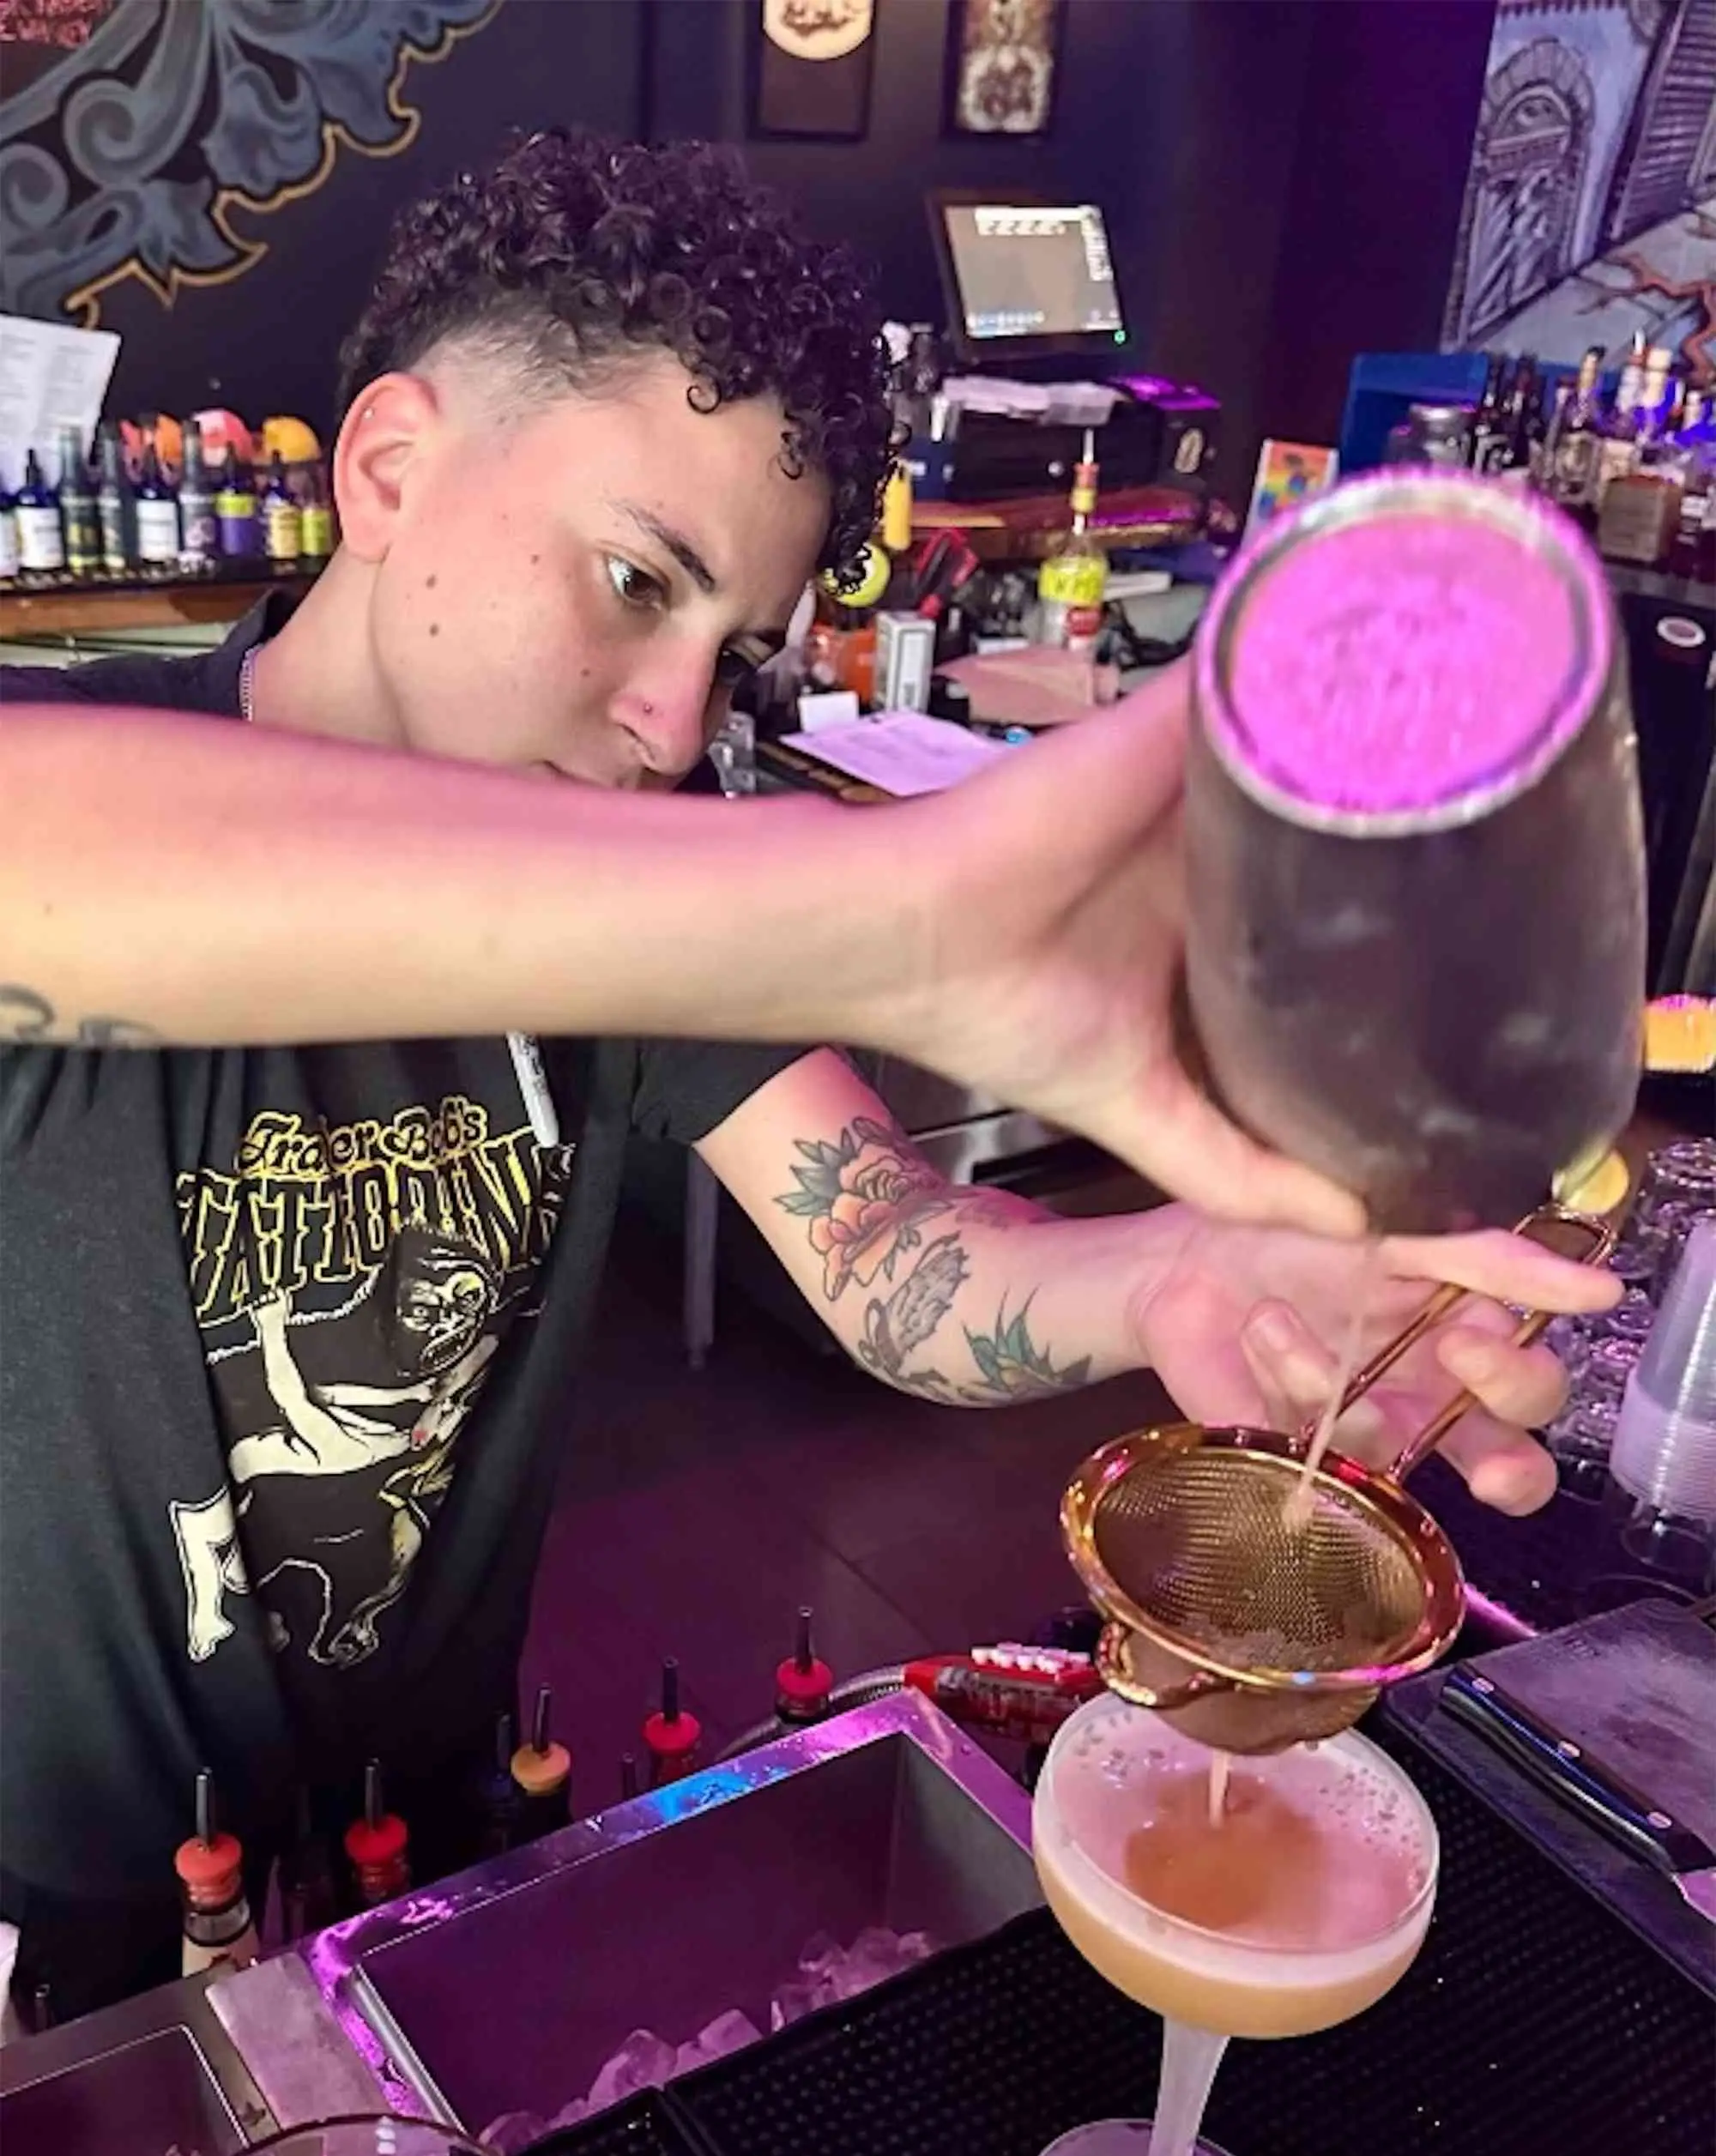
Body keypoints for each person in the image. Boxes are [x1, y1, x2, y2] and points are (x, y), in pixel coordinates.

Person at [0, 132, 1613, 2022]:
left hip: (407, 1852)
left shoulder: (639, 885)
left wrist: (1170, 1268)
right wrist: (880, 903)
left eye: (731, 647)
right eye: (631, 579)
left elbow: (894, 1255)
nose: (675, 720)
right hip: (54, 1908)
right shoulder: (105, 791)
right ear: (387, 468)